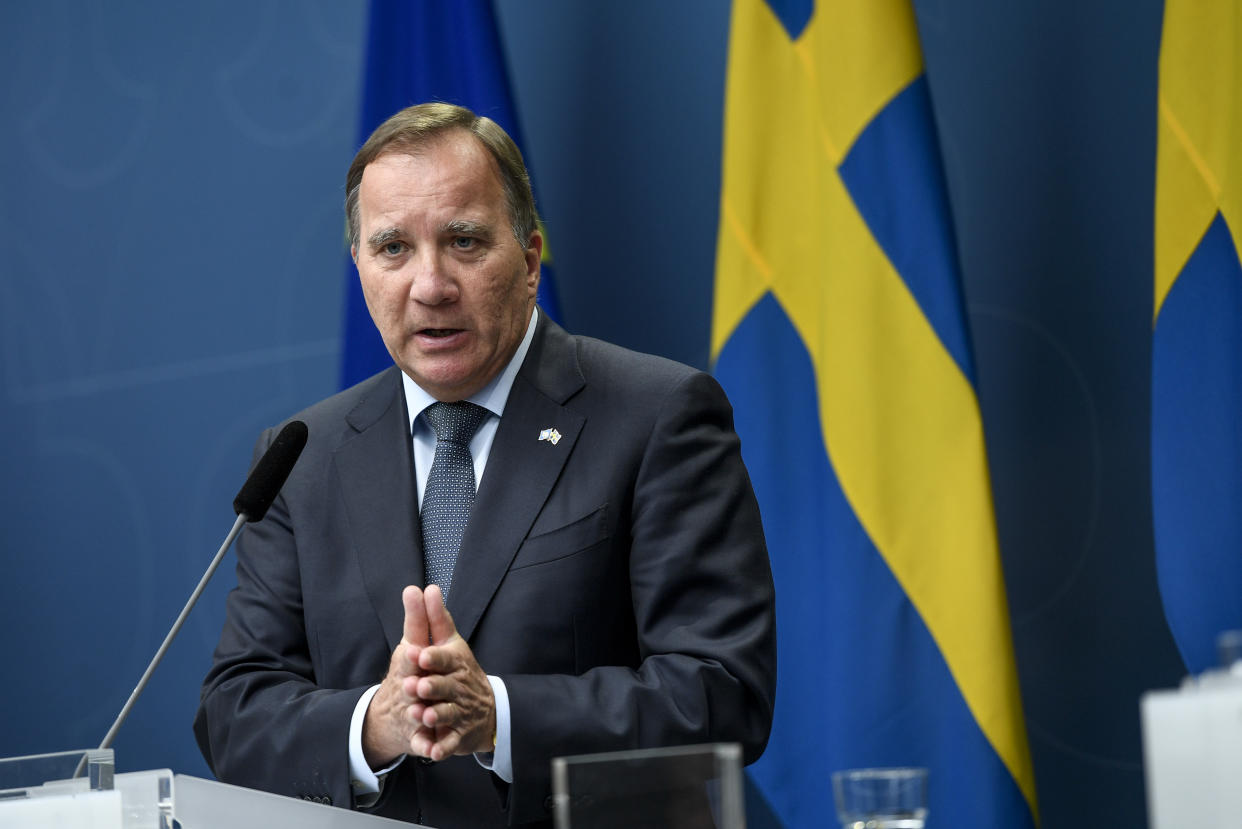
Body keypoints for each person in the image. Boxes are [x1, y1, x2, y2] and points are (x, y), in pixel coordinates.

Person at [194, 102, 776, 828]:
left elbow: (720, 692)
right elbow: (234, 711)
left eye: (463, 241)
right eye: (393, 248)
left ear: (530, 260)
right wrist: (376, 722)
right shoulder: (304, 455)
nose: (430, 284)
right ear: (360, 268)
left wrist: (497, 713)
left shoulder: (658, 414)